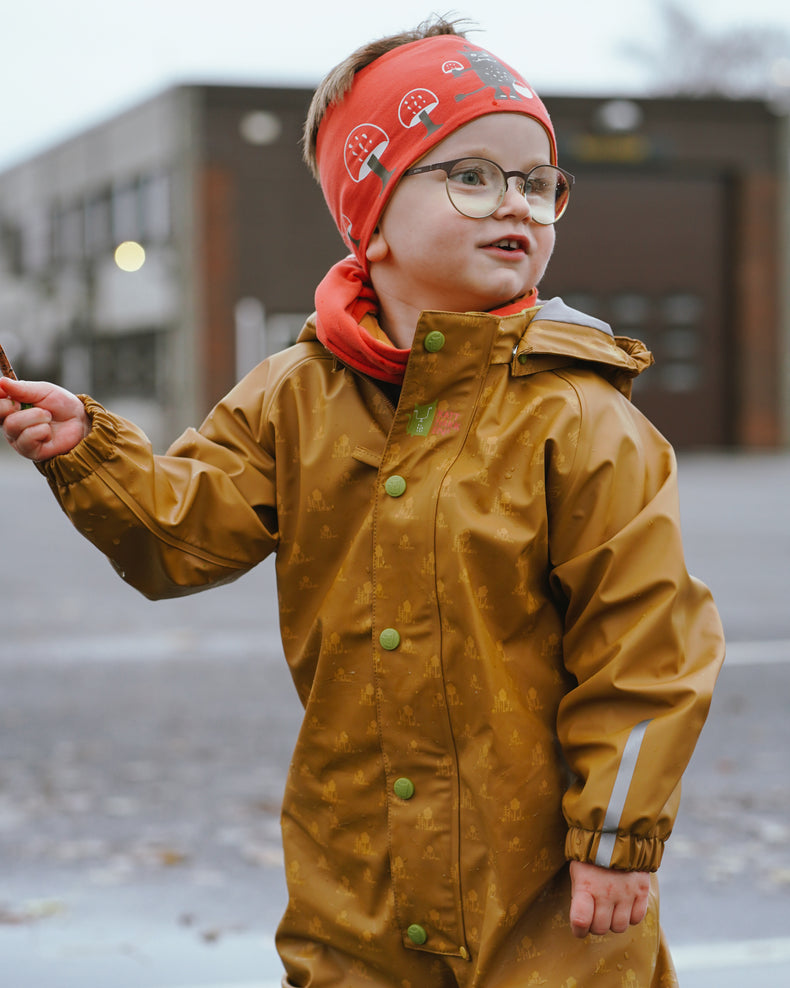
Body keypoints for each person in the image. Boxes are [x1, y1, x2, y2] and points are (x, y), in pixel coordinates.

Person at [0, 17, 724, 988]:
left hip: (546, 896)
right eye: (470, 175)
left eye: (536, 182)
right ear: (370, 215)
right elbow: (185, 531)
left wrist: (615, 835)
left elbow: (646, 642)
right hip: (357, 882)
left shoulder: (579, 417)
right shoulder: (290, 396)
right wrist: (91, 451)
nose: (515, 203)